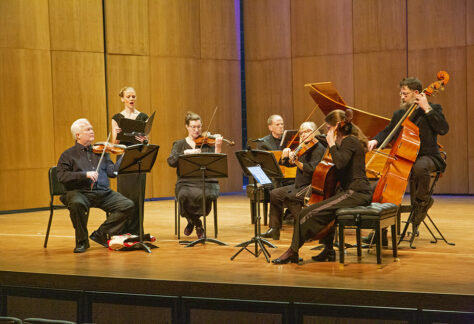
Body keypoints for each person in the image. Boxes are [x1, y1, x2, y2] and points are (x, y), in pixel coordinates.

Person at [272, 109, 373, 264]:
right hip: (348, 191)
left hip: (357, 192)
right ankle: (327, 250)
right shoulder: (344, 142)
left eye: (328, 128)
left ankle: (293, 251)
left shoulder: (350, 141)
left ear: (337, 126)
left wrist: (332, 143)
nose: (326, 131)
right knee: (313, 211)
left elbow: (339, 163)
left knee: (310, 213)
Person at [367, 77, 449, 230]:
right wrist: (375, 141)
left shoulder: (433, 109)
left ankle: (423, 202)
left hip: (429, 156)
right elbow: (388, 131)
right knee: (381, 186)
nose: (402, 97)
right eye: (401, 93)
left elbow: (444, 129)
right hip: (405, 159)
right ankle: (380, 231)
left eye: (405, 94)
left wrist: (427, 109)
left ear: (416, 93)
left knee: (420, 167)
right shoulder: (400, 114)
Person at [57, 118, 135, 253]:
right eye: (88, 129)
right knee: (76, 203)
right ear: (78, 135)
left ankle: (101, 233)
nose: (92, 131)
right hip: (79, 192)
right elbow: (62, 176)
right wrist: (84, 175)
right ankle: (82, 241)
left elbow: (112, 173)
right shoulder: (68, 155)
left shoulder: (102, 152)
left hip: (103, 192)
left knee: (127, 205)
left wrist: (123, 158)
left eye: (92, 128)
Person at [261, 121, 326, 240]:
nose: (304, 135)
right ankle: (274, 229)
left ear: (315, 132)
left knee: (291, 197)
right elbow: (289, 165)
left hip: (312, 187)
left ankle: (304, 230)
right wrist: (285, 157)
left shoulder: (319, 148)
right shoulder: (303, 146)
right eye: (301, 132)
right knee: (275, 193)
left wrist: (296, 161)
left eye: (307, 131)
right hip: (299, 185)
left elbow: (312, 170)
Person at [167, 112, 223, 239]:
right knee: (183, 195)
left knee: (207, 195)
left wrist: (218, 147)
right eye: (193, 127)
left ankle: (191, 221)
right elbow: (171, 162)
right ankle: (197, 223)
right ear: (187, 127)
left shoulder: (207, 143)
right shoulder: (179, 144)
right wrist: (186, 153)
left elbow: (216, 164)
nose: (196, 130)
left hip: (206, 181)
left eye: (199, 127)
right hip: (185, 181)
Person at [111, 86, 149, 235]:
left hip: (139, 157)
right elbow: (114, 144)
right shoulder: (117, 118)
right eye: (128, 97)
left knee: (138, 194)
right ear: (122, 99)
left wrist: (145, 140)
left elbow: (146, 143)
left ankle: (137, 231)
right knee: (124, 195)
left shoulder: (143, 117)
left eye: (133, 96)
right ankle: (124, 230)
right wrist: (118, 134)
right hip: (124, 158)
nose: (131, 99)